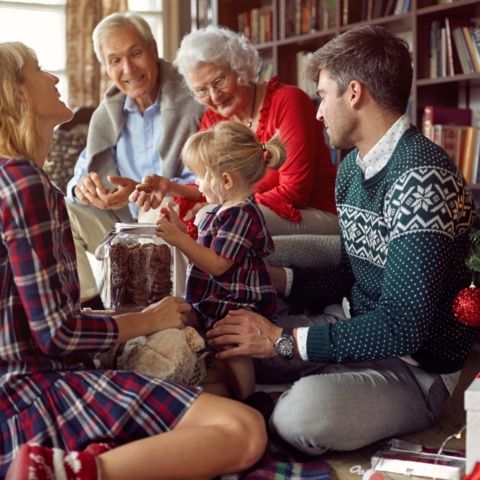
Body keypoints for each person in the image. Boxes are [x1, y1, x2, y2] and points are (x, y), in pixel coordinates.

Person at [205, 25, 480, 456]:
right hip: (350, 324)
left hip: (414, 369)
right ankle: (279, 397)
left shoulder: (422, 177)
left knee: (300, 416)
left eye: (322, 96)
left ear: (353, 93)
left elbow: (402, 327)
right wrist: (279, 279)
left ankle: (278, 406)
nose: (317, 112)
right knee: (228, 348)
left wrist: (281, 340)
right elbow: (351, 275)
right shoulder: (352, 168)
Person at [0, 41, 267, 480]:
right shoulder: (23, 181)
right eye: (39, 69)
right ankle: (61, 472)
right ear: (17, 94)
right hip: (28, 394)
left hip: (26, 380)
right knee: (244, 429)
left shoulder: (20, 177)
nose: (54, 78)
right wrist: (150, 318)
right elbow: (58, 334)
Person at [130, 25, 339, 238]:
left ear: (240, 67)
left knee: (210, 219)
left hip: (312, 213)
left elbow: (294, 194)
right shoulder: (213, 119)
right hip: (251, 208)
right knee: (161, 212)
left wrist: (219, 208)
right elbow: (210, 186)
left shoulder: (288, 101)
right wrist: (168, 186)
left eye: (219, 81)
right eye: (201, 90)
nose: (214, 95)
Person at [65, 12, 206, 311]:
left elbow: (208, 179)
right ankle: (94, 310)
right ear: (105, 67)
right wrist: (82, 188)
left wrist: (146, 192)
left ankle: (164, 315)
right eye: (115, 60)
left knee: (154, 214)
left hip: (171, 215)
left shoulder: (193, 100)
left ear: (154, 50)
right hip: (119, 223)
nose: (128, 68)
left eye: (135, 53)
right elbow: (80, 174)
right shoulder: (108, 113)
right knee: (63, 210)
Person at [156, 121, 286, 401]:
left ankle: (249, 400)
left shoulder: (242, 214)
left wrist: (181, 241)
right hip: (215, 296)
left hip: (236, 301)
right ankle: (209, 380)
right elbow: (205, 248)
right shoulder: (222, 210)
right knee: (178, 317)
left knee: (231, 344)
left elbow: (217, 264)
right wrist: (180, 230)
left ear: (226, 180)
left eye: (200, 177)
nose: (197, 185)